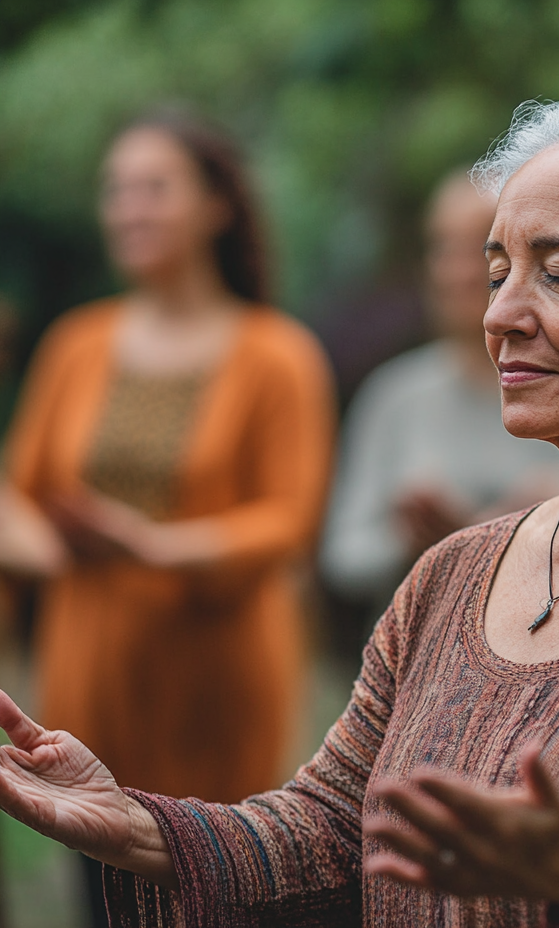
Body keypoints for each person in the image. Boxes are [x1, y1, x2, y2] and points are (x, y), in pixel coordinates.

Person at [0, 90, 559, 927]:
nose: (501, 313)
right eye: (499, 272)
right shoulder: (454, 575)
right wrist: (136, 827)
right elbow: (331, 832)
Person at [0, 111, 335, 925]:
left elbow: (289, 521)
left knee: (209, 881)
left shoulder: (276, 355)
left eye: (153, 188)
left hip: (215, 681)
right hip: (93, 667)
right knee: (98, 876)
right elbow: (17, 488)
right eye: (115, 191)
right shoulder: (78, 343)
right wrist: (41, 547)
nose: (129, 209)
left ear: (217, 205)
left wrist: (155, 545)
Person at [321, 171, 559, 627]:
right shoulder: (395, 395)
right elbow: (344, 557)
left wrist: (545, 518)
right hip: (422, 646)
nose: (458, 270)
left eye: (481, 247)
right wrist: (420, 536)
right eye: (442, 247)